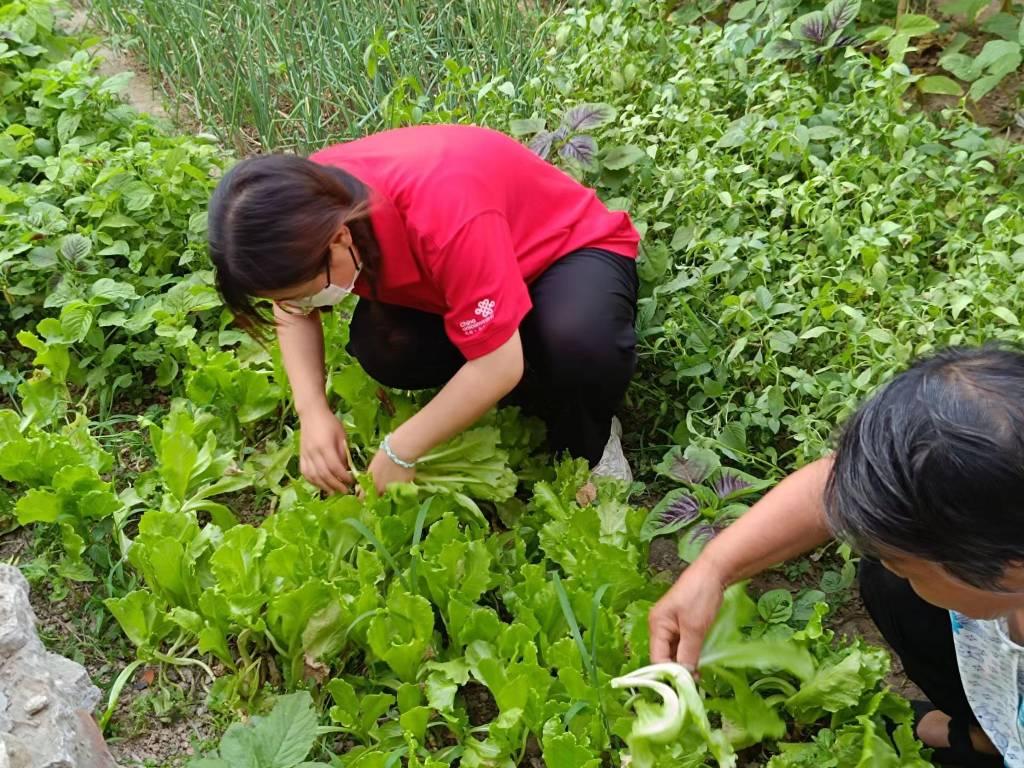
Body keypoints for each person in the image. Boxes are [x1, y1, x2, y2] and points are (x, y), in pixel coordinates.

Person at [207, 124, 640, 494]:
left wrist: (401, 448)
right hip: (466, 276)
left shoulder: (442, 212)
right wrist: (313, 412)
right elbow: (294, 311)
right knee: (386, 345)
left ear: (339, 239)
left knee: (577, 341)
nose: (299, 305)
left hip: (563, 252)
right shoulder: (309, 211)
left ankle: (592, 441)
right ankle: (519, 355)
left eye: (304, 291)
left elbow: (497, 365)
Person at [649, 345, 1024, 767]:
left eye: (906, 563)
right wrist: (712, 571)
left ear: (1007, 568)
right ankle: (986, 731)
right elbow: (831, 486)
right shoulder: (1002, 509)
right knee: (888, 576)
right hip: (992, 662)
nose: (890, 564)